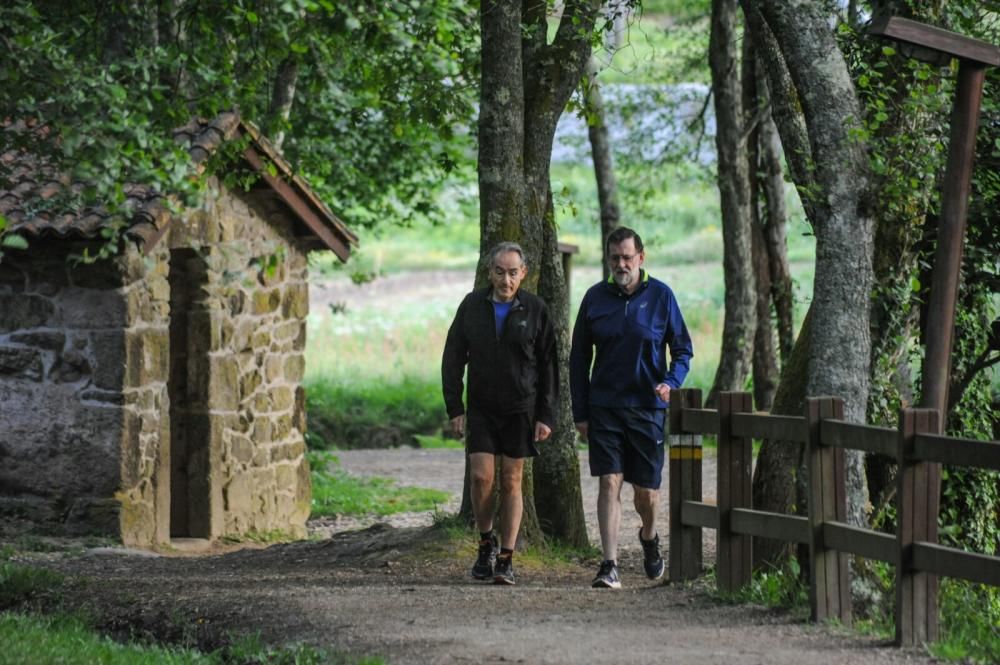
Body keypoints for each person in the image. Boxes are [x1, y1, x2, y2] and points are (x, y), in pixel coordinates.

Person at [570, 227, 693, 589]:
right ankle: (609, 564)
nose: (620, 264)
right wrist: (581, 411)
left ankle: (650, 536)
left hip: (647, 408)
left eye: (627, 257)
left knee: (647, 493)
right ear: (608, 259)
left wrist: (671, 382)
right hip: (604, 407)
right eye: (614, 258)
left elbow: (683, 349)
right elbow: (578, 359)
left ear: (641, 257)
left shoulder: (661, 296)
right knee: (609, 481)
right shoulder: (594, 298)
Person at [441, 241, 557, 586]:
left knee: (511, 481)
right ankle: (484, 542)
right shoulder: (472, 306)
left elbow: (550, 365)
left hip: (520, 409)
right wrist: (454, 407)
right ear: (489, 272)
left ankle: (506, 557)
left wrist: (546, 415)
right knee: (481, 478)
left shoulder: (535, 309)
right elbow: (452, 356)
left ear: (523, 273)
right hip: (481, 408)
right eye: (499, 272)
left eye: (512, 273)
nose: (506, 280)